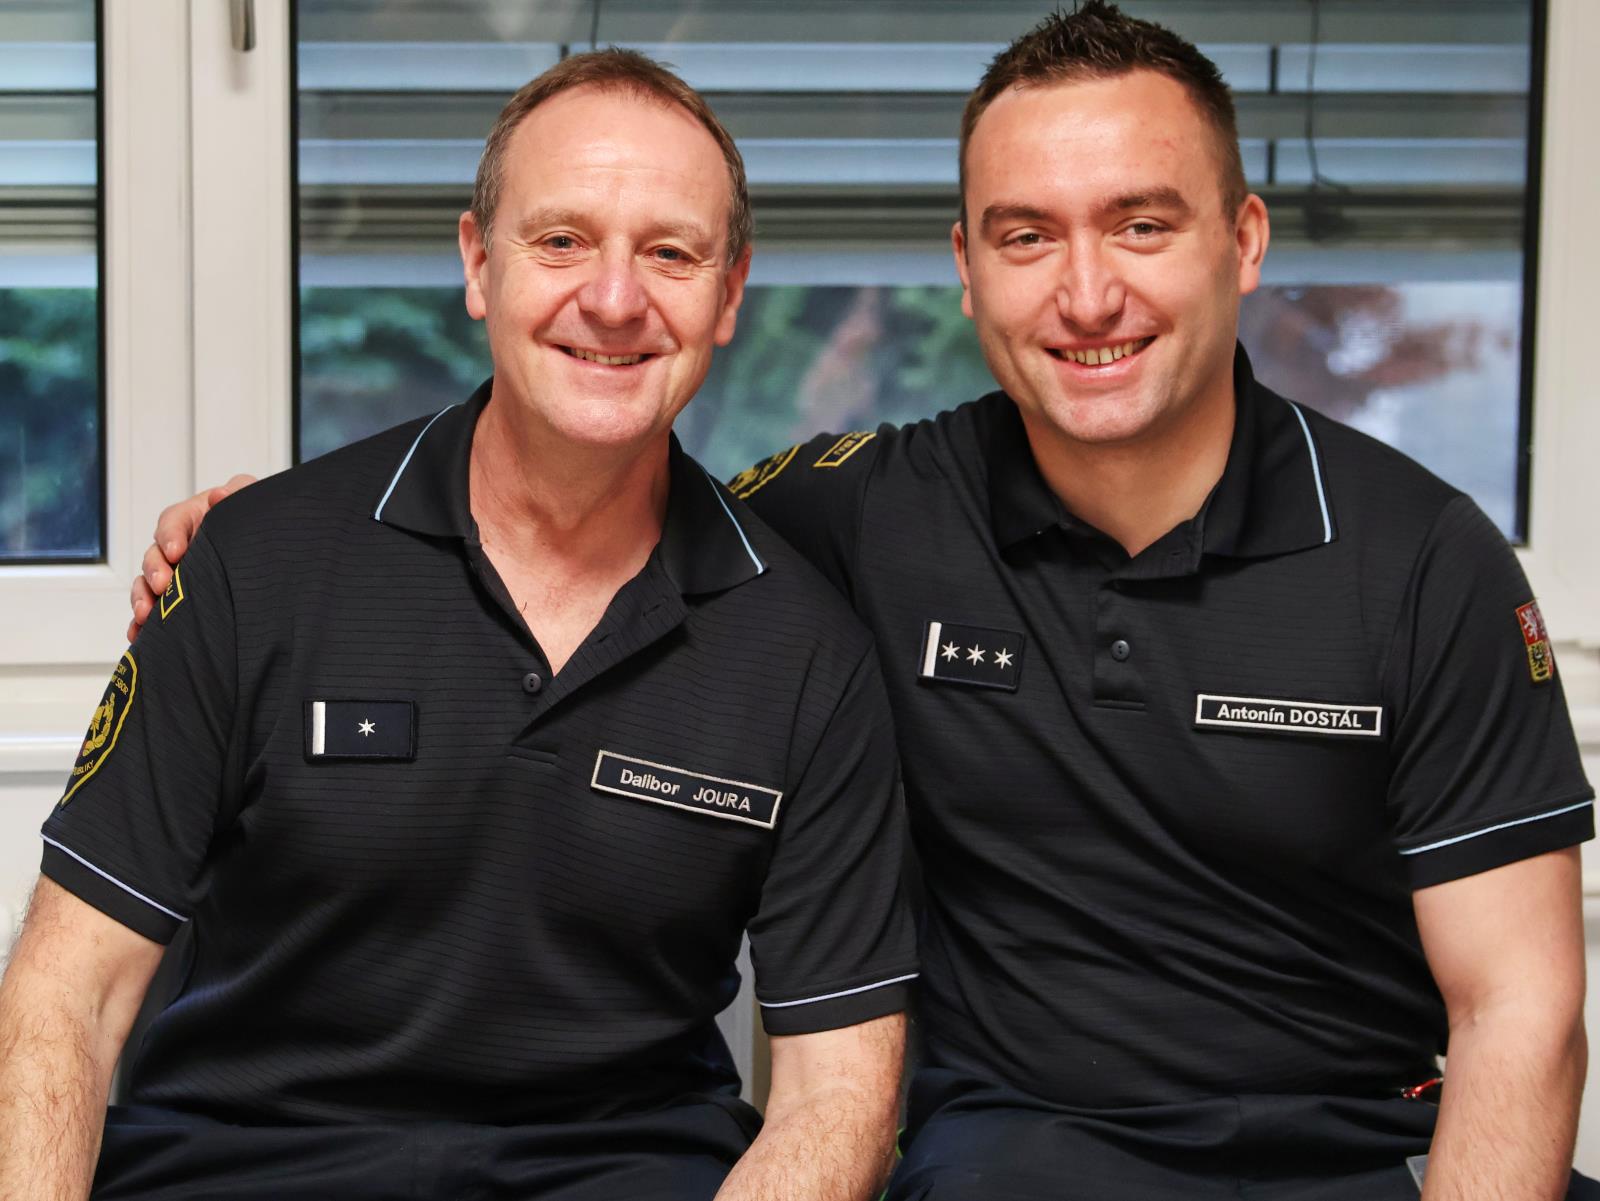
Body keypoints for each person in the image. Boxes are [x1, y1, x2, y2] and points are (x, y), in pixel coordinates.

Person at [124, 4, 1599, 1198]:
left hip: (1362, 1151)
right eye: (1025, 235)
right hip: (1022, 1158)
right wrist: (271, 540)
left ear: (1245, 240)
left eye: (1142, 226)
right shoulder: (862, 511)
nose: (1087, 293)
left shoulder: (1421, 556)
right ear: (966, 267)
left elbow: (1522, 1013)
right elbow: (579, 501)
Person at [0, 49, 917, 1201]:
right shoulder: (253, 566)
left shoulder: (807, 653)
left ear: (729, 294)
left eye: (670, 253)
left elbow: (837, 1099)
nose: (615, 299)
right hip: (244, 1172)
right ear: (479, 264)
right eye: (562, 240)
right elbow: (65, 999)